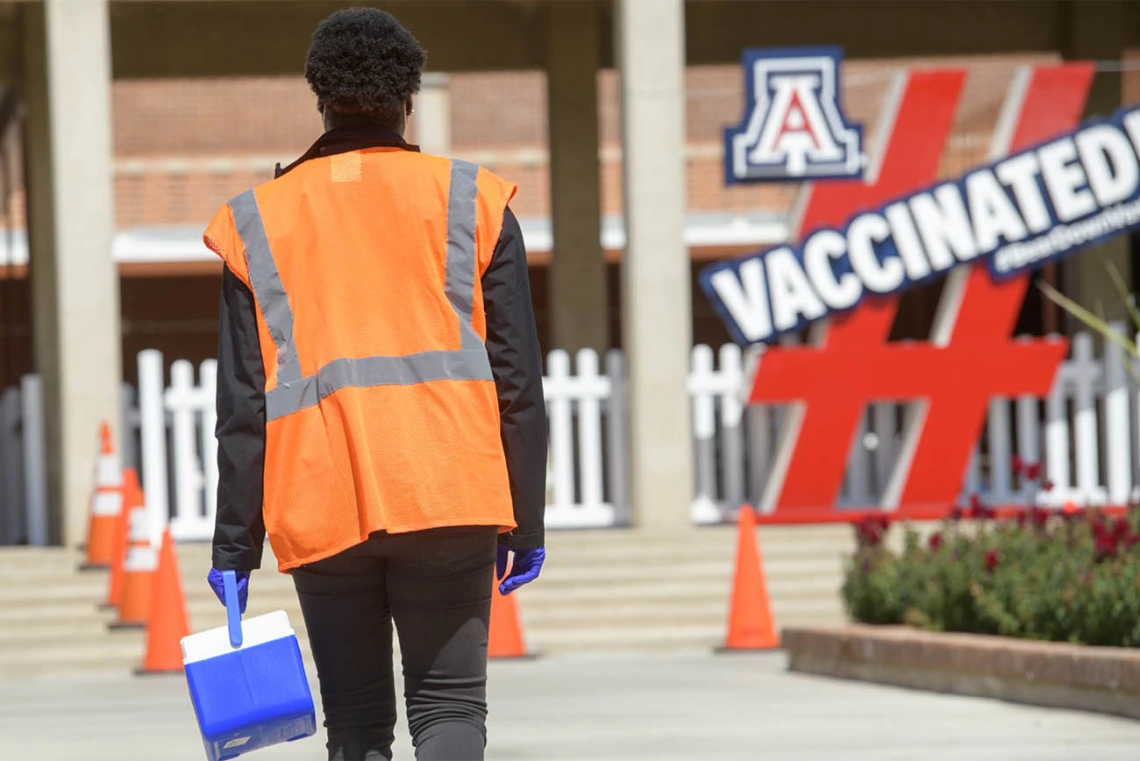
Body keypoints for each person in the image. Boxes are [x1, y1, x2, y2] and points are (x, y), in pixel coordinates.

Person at [200, 9, 548, 761]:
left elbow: (243, 405)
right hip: (449, 490)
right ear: (409, 97)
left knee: (356, 727)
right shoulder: (474, 200)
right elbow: (518, 380)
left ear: (318, 96)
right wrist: (526, 519)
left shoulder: (255, 220)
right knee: (449, 706)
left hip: (320, 500)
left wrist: (235, 546)